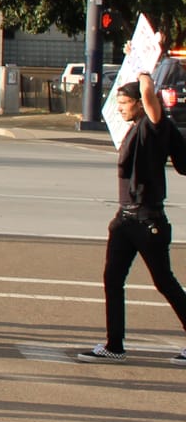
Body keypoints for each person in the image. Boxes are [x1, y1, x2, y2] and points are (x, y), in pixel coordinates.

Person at [76, 75, 186, 363]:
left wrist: (143, 73)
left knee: (164, 281)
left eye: (124, 103)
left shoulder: (154, 127)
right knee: (112, 278)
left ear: (141, 104)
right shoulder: (136, 128)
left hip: (148, 220)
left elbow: (149, 92)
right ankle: (114, 345)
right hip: (125, 220)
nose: (120, 108)